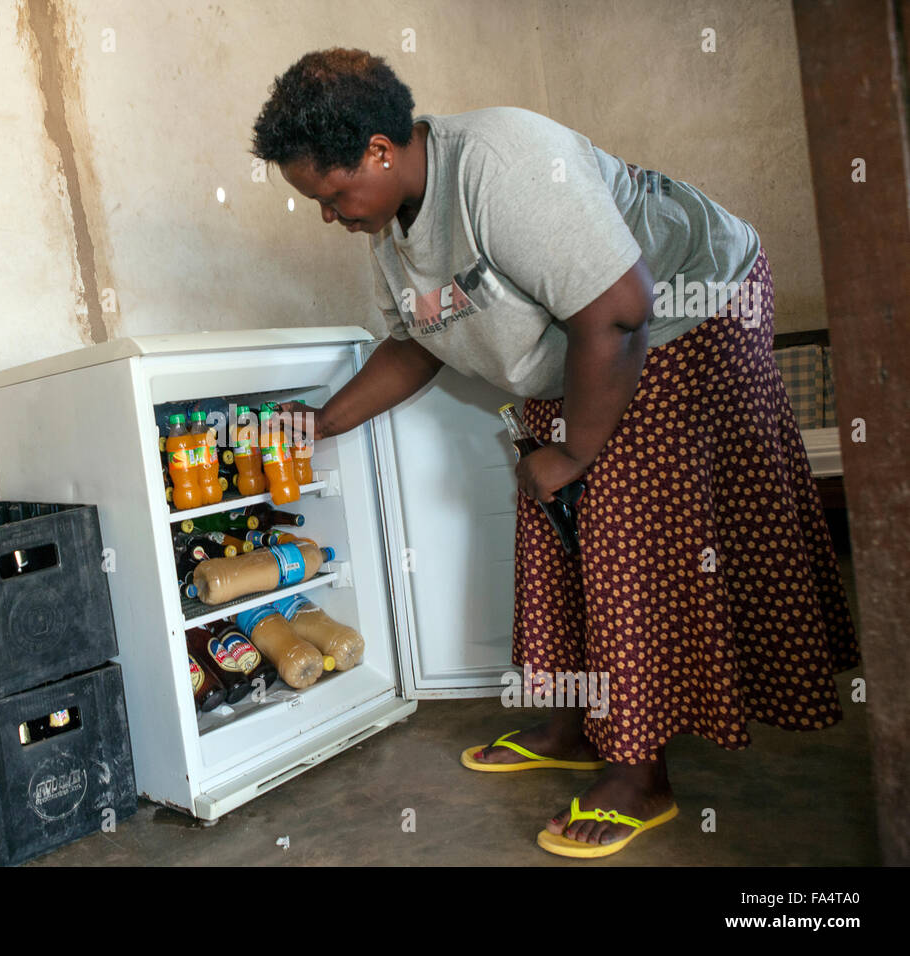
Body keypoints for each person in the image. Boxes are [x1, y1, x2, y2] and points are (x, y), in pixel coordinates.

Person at [252, 48, 859, 858]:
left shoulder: (504, 165)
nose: (329, 216)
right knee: (551, 521)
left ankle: (638, 771)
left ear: (378, 150)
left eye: (330, 195)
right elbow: (419, 340)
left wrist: (575, 451)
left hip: (680, 313)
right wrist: (323, 421)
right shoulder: (392, 224)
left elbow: (619, 308)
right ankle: (577, 720)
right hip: (583, 338)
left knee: (619, 527)